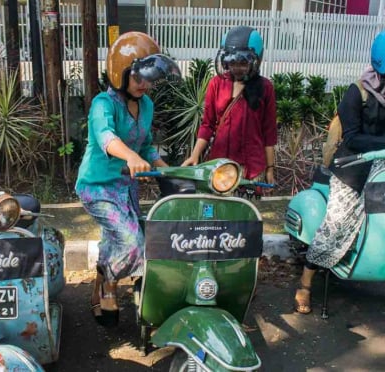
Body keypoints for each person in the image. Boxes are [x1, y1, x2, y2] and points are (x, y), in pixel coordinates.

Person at [294, 24, 385, 314]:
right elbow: (351, 138)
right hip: (353, 169)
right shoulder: (358, 92)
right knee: (335, 227)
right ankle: (305, 283)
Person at [75, 32, 180, 326]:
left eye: (149, 79)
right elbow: (106, 137)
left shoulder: (146, 105)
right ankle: (109, 284)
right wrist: (130, 157)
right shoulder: (102, 104)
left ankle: (100, 282)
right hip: (97, 187)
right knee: (133, 242)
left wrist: (164, 167)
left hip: (126, 187)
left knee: (115, 237)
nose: (144, 85)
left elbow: (144, 144)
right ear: (120, 73)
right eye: (138, 78)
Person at [181, 26, 277, 187]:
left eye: (243, 63)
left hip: (252, 168)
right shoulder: (216, 84)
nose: (237, 68)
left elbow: (269, 132)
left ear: (256, 60)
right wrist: (195, 155)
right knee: (218, 210)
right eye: (232, 62)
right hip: (220, 166)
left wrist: (270, 169)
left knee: (246, 210)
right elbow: (207, 124)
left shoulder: (265, 87)